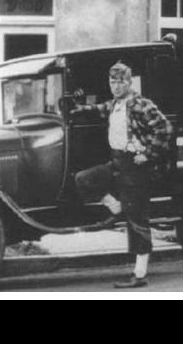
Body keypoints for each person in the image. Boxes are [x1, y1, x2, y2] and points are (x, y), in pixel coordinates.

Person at [70, 61, 173, 288]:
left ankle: (140, 273)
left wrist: (148, 154)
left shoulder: (139, 104)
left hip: (135, 167)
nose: (116, 86)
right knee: (83, 179)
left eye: (121, 82)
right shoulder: (114, 104)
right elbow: (96, 109)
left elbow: (164, 128)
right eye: (112, 81)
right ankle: (114, 205)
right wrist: (74, 107)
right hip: (116, 163)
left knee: (137, 220)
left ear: (130, 82)